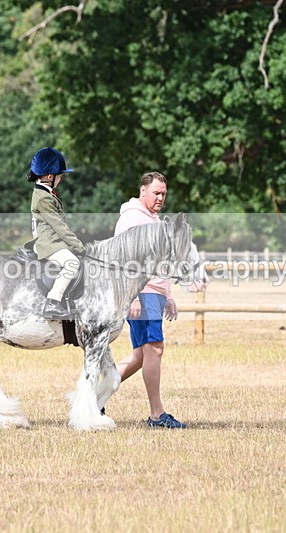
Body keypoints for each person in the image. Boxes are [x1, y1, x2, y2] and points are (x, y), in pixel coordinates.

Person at [113, 171, 186, 429]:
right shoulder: (132, 218)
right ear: (143, 191)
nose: (160, 198)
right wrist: (132, 295)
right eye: (156, 192)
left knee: (140, 355)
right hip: (141, 293)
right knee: (154, 349)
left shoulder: (154, 220)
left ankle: (93, 395)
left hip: (153, 292)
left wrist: (168, 294)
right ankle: (157, 415)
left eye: (164, 194)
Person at [26, 147, 85, 320]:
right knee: (72, 263)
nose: (61, 179)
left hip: (53, 242)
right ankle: (53, 301)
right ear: (50, 176)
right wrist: (78, 246)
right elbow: (60, 227)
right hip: (48, 244)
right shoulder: (44, 198)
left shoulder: (45, 193)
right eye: (60, 175)